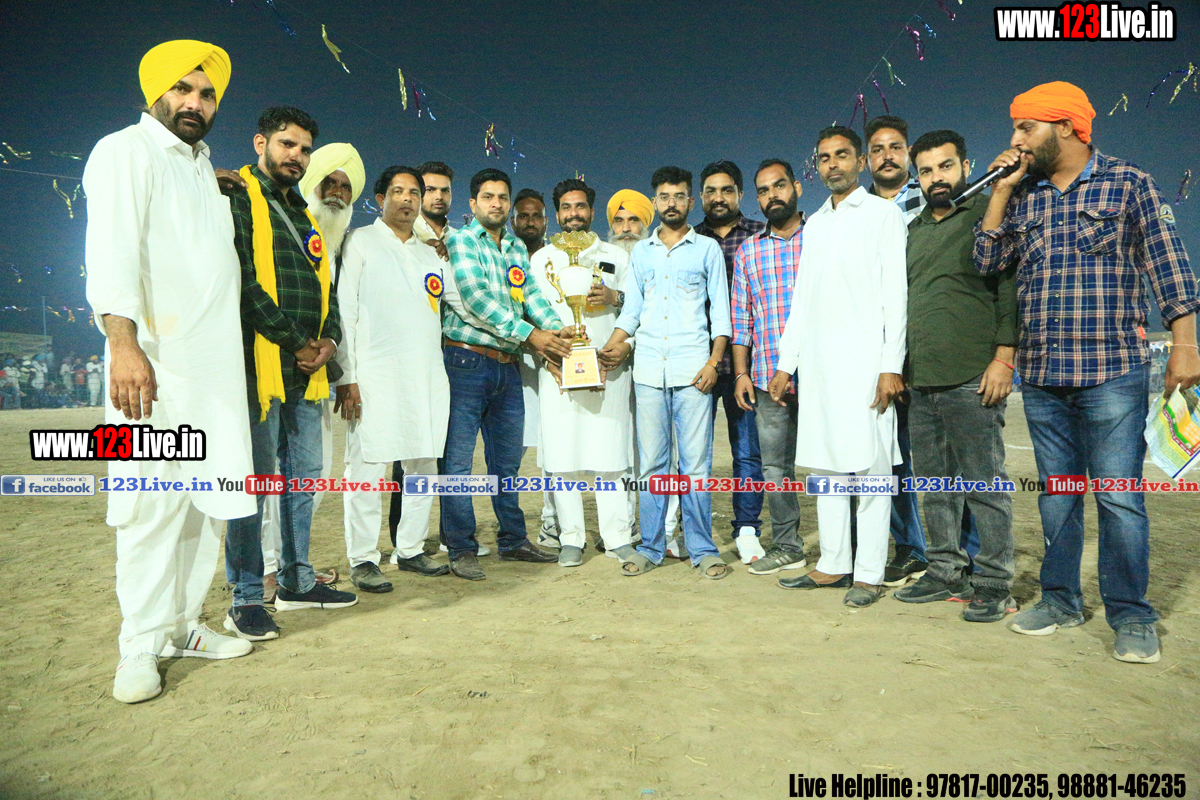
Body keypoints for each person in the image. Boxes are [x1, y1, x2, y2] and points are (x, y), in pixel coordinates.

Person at [976, 81, 1200, 661]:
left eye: (1026, 127)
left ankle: (1131, 614)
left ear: (1066, 127)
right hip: (1043, 375)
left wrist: (1184, 344)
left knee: (1119, 498)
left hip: (1111, 372)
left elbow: (1170, 265)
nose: (1015, 139)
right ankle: (1060, 600)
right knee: (1058, 496)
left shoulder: (1129, 183)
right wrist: (1001, 190)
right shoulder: (1023, 195)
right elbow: (987, 261)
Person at [84, 39, 257, 703]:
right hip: (152, 370)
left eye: (207, 93)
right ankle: (138, 644)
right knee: (150, 508)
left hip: (214, 375)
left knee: (203, 508)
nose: (195, 102)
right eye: (182, 89)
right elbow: (112, 253)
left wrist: (214, 179)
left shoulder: (200, 165)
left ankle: (182, 627)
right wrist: (123, 345)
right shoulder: (123, 151)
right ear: (154, 92)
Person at [224, 105, 357, 643]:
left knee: (304, 479)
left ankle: (298, 582)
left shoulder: (303, 213)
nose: (296, 156)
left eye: (304, 149)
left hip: (307, 371)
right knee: (255, 482)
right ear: (261, 144)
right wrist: (297, 340)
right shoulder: (236, 197)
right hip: (259, 366)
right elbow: (243, 282)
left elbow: (327, 290)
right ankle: (245, 597)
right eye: (287, 144)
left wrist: (328, 341)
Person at [768, 126, 907, 607]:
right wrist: (787, 363)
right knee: (826, 466)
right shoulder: (817, 225)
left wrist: (891, 365)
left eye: (842, 155)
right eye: (824, 158)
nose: (833, 165)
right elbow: (802, 299)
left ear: (860, 162)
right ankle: (832, 563)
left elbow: (896, 296)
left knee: (871, 471)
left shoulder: (883, 215)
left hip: (867, 365)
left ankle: (868, 573)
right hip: (821, 366)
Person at [895, 130, 1018, 623]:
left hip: (973, 375)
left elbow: (1008, 287)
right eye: (926, 171)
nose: (936, 178)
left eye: (945, 166)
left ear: (966, 166)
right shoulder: (912, 230)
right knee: (934, 485)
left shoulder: (988, 214)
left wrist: (1003, 357)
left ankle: (994, 582)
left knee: (985, 486)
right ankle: (946, 570)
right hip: (921, 378)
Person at [864, 114, 980, 587]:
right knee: (893, 460)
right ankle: (910, 548)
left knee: (953, 463)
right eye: (877, 149)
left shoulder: (939, 202)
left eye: (895, 147)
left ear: (908, 155)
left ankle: (969, 556)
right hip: (881, 357)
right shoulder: (859, 211)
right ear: (866, 160)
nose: (886, 156)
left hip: (935, 350)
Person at [441, 167, 573, 580]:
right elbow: (475, 298)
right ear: (473, 203)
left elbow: (531, 295)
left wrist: (560, 331)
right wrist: (533, 335)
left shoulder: (515, 246)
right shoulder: (462, 240)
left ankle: (513, 539)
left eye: (502, 197)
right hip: (466, 362)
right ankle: (461, 547)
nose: (496, 203)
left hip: (508, 365)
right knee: (458, 463)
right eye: (488, 196)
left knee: (507, 462)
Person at [601, 166, 733, 579]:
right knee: (652, 467)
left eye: (679, 196)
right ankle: (651, 547)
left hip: (694, 374)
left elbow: (721, 315)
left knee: (695, 466)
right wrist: (612, 345)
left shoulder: (707, 249)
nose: (671, 203)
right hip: (648, 373)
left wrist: (713, 363)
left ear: (690, 202)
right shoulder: (642, 253)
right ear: (655, 202)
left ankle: (702, 549)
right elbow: (632, 311)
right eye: (664, 196)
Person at [336, 165, 451, 589]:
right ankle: (363, 558)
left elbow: (457, 302)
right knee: (367, 466)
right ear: (381, 198)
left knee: (423, 464)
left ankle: (411, 549)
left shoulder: (431, 255)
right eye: (398, 191)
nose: (407, 199)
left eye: (414, 193)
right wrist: (347, 375)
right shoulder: (360, 241)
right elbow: (345, 309)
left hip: (426, 374)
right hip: (373, 375)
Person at [258, 142, 365, 600]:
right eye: (329, 182)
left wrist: (334, 358)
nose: (337, 193)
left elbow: (334, 308)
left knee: (308, 477)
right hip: (269, 364)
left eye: (346, 186)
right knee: (267, 476)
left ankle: (291, 567)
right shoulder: (280, 220)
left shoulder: (341, 244)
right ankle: (266, 570)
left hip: (316, 373)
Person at [528, 178, 636, 566]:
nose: (574, 214)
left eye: (580, 206)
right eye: (566, 207)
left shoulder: (617, 256)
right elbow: (530, 313)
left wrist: (625, 340)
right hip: (557, 370)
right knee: (562, 455)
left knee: (611, 454)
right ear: (556, 214)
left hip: (609, 369)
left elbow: (638, 307)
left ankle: (617, 535)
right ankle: (570, 537)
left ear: (591, 210)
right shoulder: (540, 260)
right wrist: (546, 356)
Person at [387, 161, 492, 559]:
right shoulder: (402, 235)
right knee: (409, 454)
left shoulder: (459, 241)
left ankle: (452, 536)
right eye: (429, 189)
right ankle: (401, 542)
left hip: (455, 357)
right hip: (413, 357)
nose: (437, 197)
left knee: (451, 455)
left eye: (444, 190)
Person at [731, 159, 807, 577]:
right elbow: (741, 320)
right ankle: (788, 545)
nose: (772, 196)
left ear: (796, 187)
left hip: (824, 374)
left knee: (840, 462)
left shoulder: (821, 237)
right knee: (775, 468)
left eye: (779, 186)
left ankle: (846, 549)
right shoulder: (749, 250)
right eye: (763, 190)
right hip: (766, 378)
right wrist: (742, 373)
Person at [693, 161, 767, 564]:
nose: (718, 198)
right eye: (710, 191)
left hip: (746, 366)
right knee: (694, 455)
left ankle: (747, 529)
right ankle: (693, 529)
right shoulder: (690, 240)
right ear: (700, 197)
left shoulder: (759, 235)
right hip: (699, 364)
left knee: (749, 452)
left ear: (739, 194)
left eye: (726, 190)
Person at [510, 187, 561, 548]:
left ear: (546, 221)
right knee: (510, 451)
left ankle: (552, 521)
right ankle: (509, 528)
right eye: (523, 216)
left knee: (552, 444)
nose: (530, 222)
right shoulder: (503, 256)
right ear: (513, 220)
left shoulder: (556, 259)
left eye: (536, 216)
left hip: (550, 363)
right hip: (512, 364)